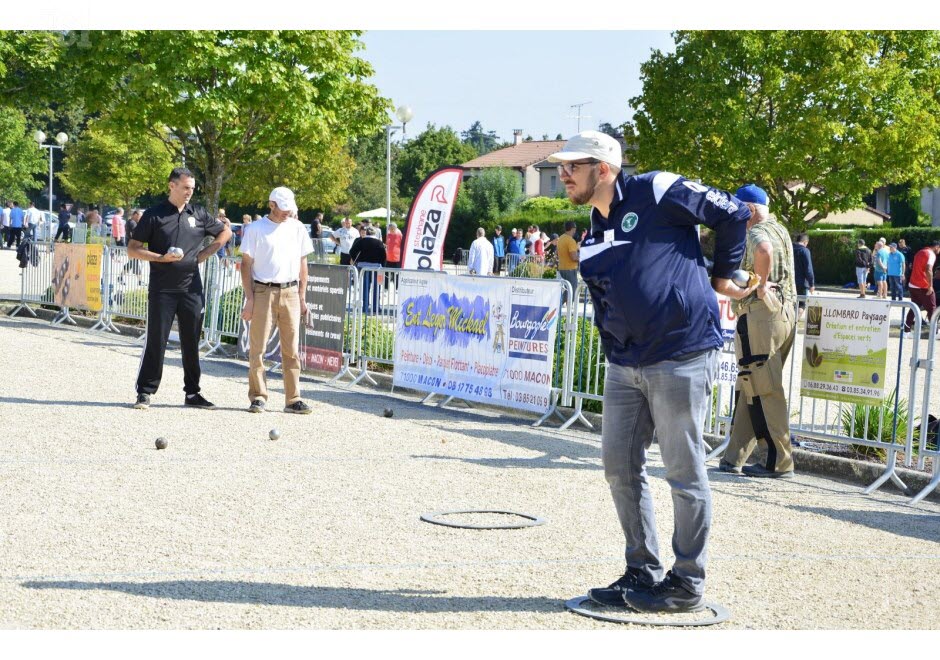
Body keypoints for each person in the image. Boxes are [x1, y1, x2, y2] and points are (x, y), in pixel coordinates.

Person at [548, 130, 752, 613]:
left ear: (604, 168)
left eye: (573, 165)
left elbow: (734, 213)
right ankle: (642, 569)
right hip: (625, 365)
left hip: (680, 352)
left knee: (683, 472)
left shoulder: (656, 188)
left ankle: (687, 581)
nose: (562, 174)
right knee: (619, 468)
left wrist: (722, 275)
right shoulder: (590, 231)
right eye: (561, 166)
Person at [127, 167, 231, 410]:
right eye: (185, 188)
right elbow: (133, 248)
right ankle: (145, 391)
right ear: (171, 185)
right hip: (162, 289)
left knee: (191, 341)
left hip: (191, 288)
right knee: (157, 340)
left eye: (192, 189)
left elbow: (225, 231)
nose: (189, 193)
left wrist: (207, 252)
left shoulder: (199, 213)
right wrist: (160, 258)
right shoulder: (154, 214)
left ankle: (192, 393)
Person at [719, 184, 797, 479]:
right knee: (753, 383)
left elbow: (762, 250)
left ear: (749, 209)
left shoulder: (754, 233)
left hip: (760, 315)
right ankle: (734, 456)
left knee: (764, 387)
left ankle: (777, 461)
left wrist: (760, 285)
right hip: (784, 312)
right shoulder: (780, 228)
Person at [239, 186, 314, 415]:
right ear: (271, 205)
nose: (287, 213)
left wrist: (302, 298)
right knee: (258, 347)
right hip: (263, 290)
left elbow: (303, 265)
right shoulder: (255, 229)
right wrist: (249, 298)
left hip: (290, 291)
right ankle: (258, 396)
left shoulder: (298, 228)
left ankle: (293, 398)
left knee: (291, 349)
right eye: (283, 209)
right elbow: (246, 265)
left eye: (289, 209)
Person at [904, 240, 940, 336]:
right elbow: (928, 269)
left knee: (914, 307)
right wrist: (930, 286)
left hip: (912, 284)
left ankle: (906, 330)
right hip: (923, 286)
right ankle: (935, 332)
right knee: (932, 308)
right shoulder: (931, 254)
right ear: (936, 247)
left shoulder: (920, 252)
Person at [349, 225, 386, 314]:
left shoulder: (362, 241)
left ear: (367, 233)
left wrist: (357, 261)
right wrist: (382, 265)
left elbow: (352, 251)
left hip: (363, 267)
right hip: (377, 268)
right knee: (377, 288)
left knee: (365, 288)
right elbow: (384, 256)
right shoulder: (379, 242)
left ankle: (364, 307)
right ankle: (376, 308)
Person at [556, 221, 580, 305]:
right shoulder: (571, 241)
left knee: (566, 290)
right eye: (574, 230)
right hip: (570, 269)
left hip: (562, 268)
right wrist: (583, 258)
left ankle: (559, 305)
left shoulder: (561, 238)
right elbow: (573, 257)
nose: (575, 232)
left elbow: (557, 253)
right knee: (572, 289)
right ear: (573, 229)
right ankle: (565, 307)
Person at [792, 232, 815, 313]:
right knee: (802, 305)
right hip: (801, 283)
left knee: (791, 304)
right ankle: (793, 324)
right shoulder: (805, 251)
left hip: (790, 282)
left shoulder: (789, 248)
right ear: (805, 242)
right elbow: (809, 269)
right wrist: (811, 284)